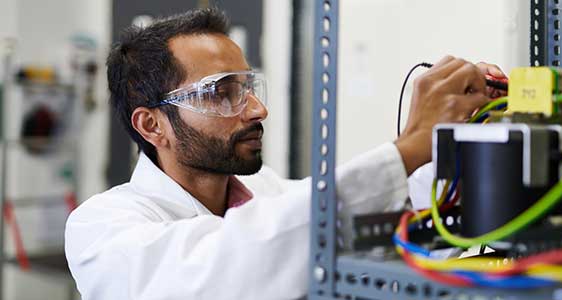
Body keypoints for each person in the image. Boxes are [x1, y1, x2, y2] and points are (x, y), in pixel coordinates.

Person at [65, 8, 506, 300]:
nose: (258, 109)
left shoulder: (266, 192)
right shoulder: (101, 228)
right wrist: (409, 146)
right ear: (151, 125)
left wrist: (452, 145)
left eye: (249, 88)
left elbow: (376, 226)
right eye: (223, 93)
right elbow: (233, 261)